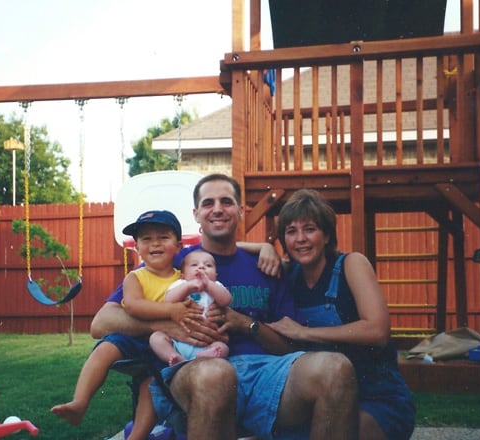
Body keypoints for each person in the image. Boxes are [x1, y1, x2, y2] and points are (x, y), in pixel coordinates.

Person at [91, 173, 359, 439]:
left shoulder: (266, 266)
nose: (217, 209)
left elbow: (289, 345)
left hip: (265, 374)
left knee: (336, 367)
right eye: (208, 203)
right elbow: (101, 322)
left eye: (226, 202)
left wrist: (247, 324)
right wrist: (167, 324)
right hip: (196, 367)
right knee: (216, 373)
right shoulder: (176, 262)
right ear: (196, 214)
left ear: (240, 211)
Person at [267, 188, 415, 440]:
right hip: (322, 396)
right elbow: (230, 249)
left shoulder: (351, 264)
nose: (300, 238)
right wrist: (262, 247)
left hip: (375, 395)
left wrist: (305, 332)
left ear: (326, 235)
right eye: (291, 231)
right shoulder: (288, 274)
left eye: (309, 229)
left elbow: (377, 331)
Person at [52, 209, 193, 440]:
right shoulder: (135, 277)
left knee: (151, 386)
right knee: (105, 349)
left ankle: (136, 436)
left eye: (163, 237)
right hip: (135, 336)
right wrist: (171, 310)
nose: (155, 243)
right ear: (137, 248)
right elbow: (135, 306)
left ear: (178, 246)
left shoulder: (182, 279)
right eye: (146, 239)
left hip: (165, 343)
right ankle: (79, 402)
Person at [149, 249, 232, 366]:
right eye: (194, 265)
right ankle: (174, 356)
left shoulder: (216, 286)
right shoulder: (181, 284)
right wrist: (187, 287)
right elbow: (168, 300)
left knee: (222, 348)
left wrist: (208, 284)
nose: (202, 267)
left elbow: (226, 300)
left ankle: (206, 355)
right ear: (183, 275)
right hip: (178, 340)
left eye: (208, 265)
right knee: (156, 338)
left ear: (215, 275)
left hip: (207, 341)